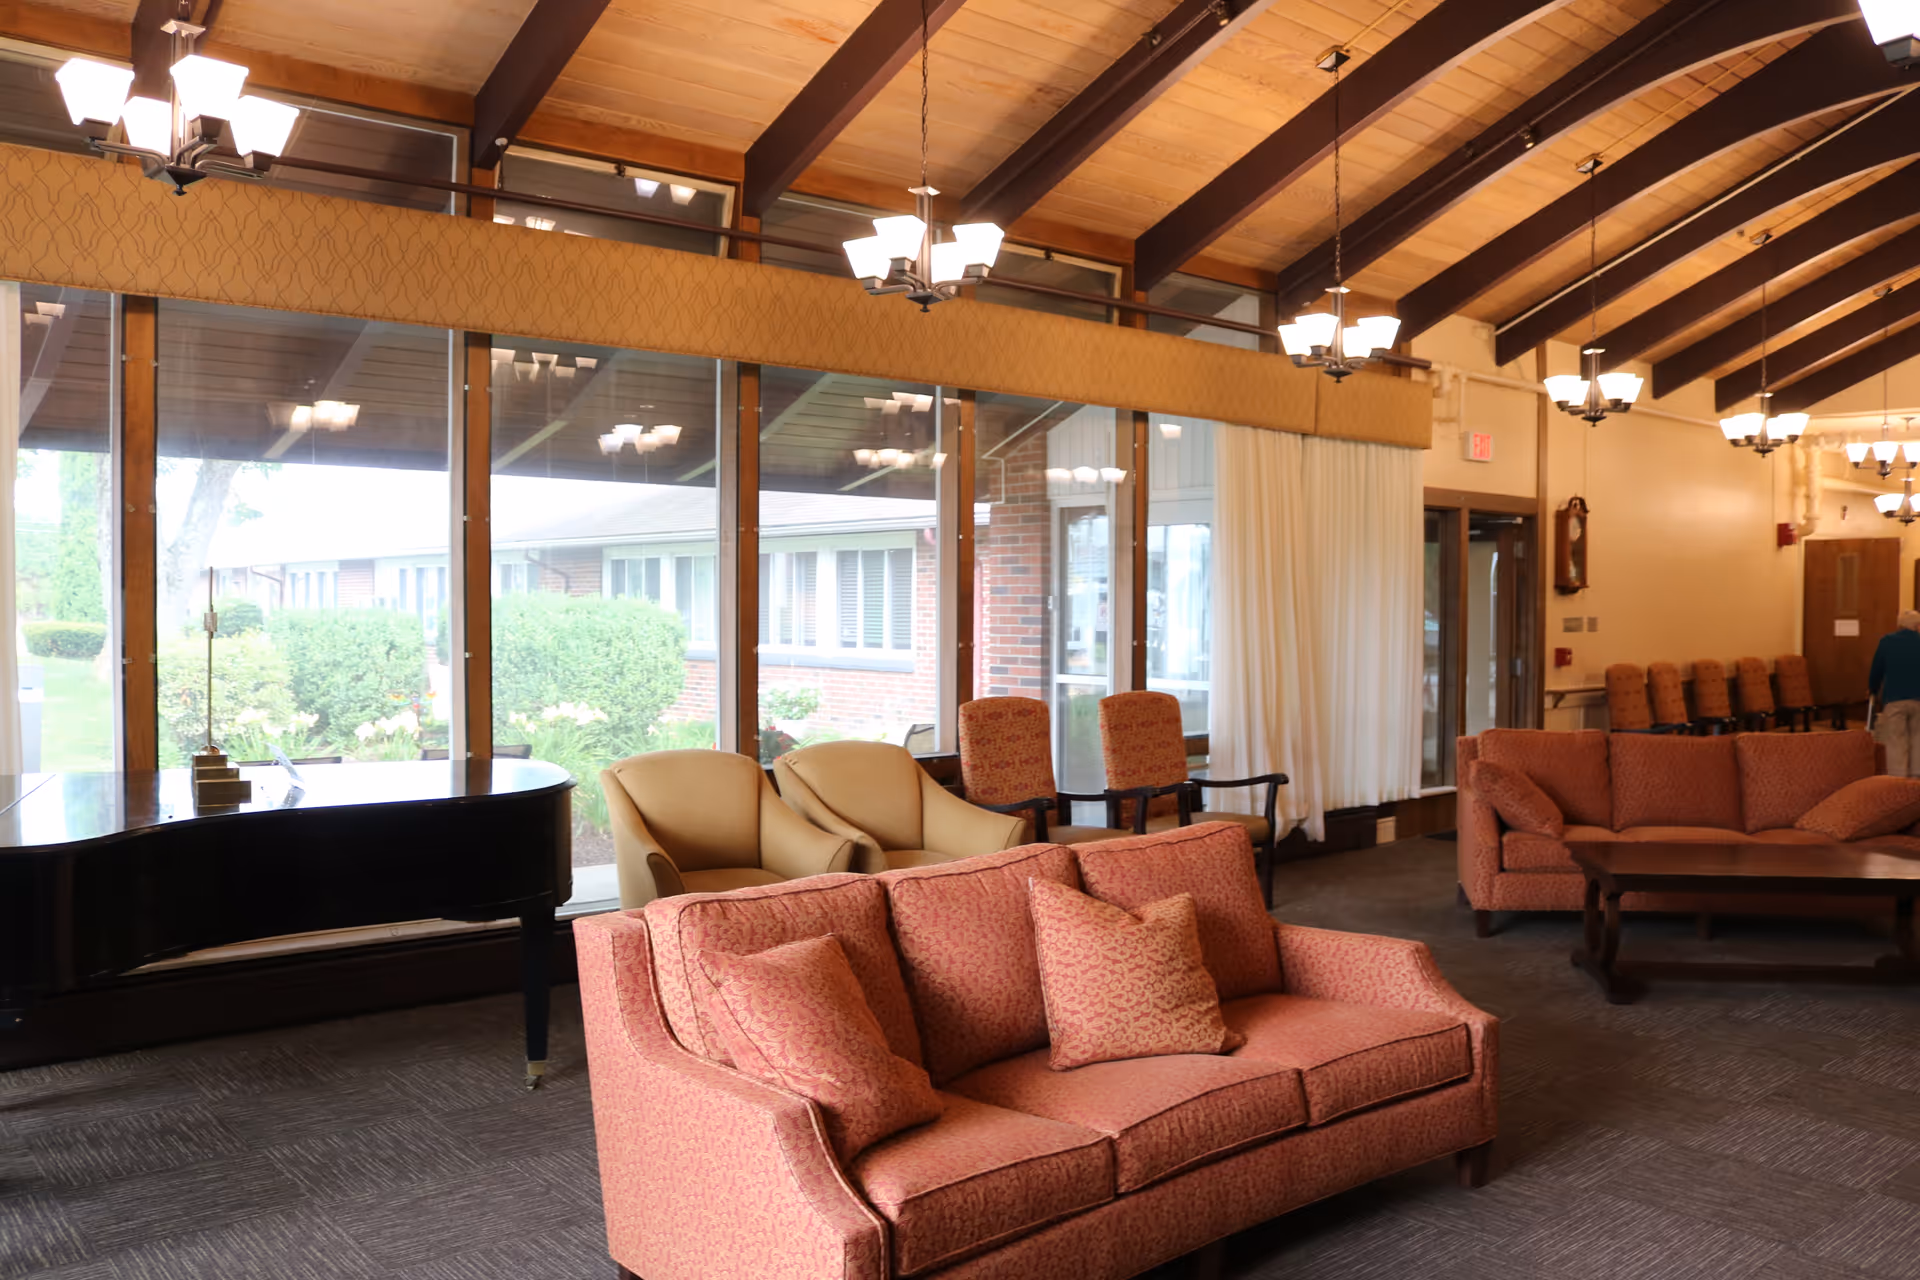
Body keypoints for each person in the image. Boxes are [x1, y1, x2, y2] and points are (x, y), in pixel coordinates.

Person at [1869, 610, 1920, 776]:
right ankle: (1916, 780)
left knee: (1896, 740)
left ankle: (1898, 780)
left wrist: (1873, 690)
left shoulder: (1887, 641)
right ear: (1917, 626)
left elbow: (1877, 669)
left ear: (1899, 625)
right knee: (1918, 738)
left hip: (1894, 698)